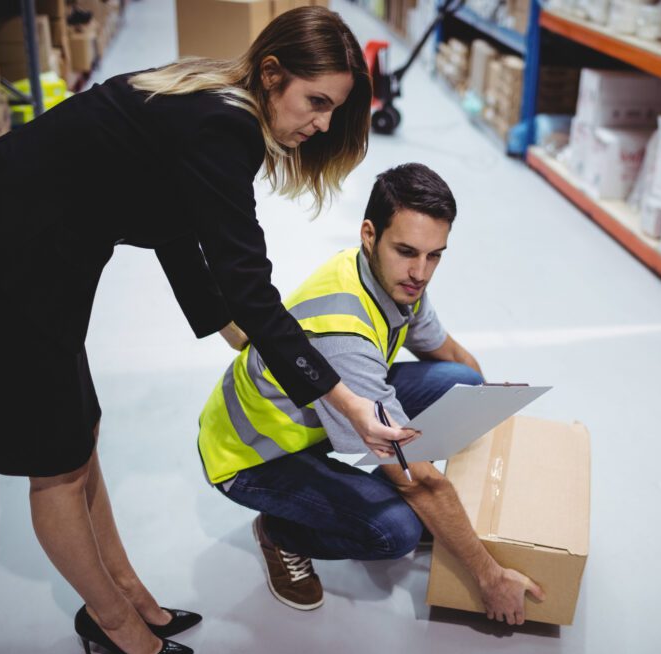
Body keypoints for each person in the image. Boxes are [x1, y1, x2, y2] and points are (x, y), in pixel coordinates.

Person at [0, 7, 415, 654]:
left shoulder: (210, 88)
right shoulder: (226, 127)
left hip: (36, 256)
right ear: (273, 75)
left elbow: (176, 223)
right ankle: (110, 617)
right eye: (317, 102)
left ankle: (128, 592)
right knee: (58, 466)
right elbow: (250, 283)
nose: (322, 124)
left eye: (335, 108)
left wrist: (234, 333)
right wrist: (344, 399)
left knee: (80, 436)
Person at [197, 163, 546, 626]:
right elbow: (418, 480)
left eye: (434, 255)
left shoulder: (394, 280)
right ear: (369, 234)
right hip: (255, 454)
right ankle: (281, 534)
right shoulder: (344, 332)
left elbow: (452, 356)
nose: (420, 272)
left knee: (457, 381)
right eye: (407, 251)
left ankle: (361, 487)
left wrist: (494, 415)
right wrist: (489, 575)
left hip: (315, 417)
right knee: (395, 531)